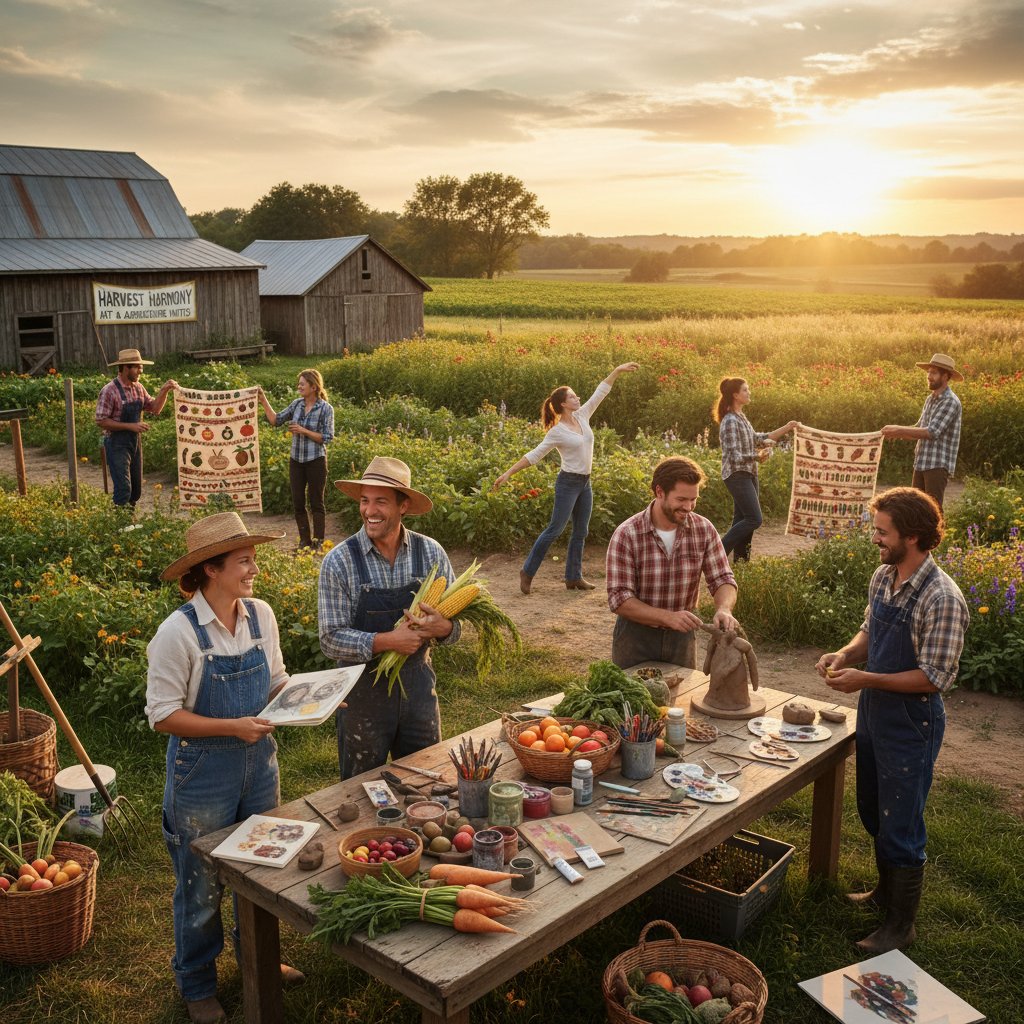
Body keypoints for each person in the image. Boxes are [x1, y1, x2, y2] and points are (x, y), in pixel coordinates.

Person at [145, 511, 306, 1024]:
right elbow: (164, 716)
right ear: (211, 569)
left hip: (259, 764)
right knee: (200, 884)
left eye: (253, 558)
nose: (254, 568)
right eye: (244, 560)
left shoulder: (261, 615)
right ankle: (197, 983)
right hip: (202, 774)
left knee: (261, 868)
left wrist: (313, 697)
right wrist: (232, 726)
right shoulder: (178, 634)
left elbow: (277, 680)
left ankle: (258, 956)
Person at [815, 487, 968, 955]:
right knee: (873, 807)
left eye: (883, 532)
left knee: (902, 822)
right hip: (876, 711)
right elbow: (869, 630)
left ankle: (901, 926)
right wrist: (845, 655)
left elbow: (933, 677)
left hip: (911, 721)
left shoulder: (942, 597)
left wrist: (867, 679)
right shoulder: (885, 576)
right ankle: (884, 893)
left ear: (915, 536)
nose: (875, 539)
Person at [318, 456, 461, 779]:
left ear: (403, 506)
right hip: (361, 695)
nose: (370, 511)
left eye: (381, 501)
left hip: (418, 688)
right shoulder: (340, 562)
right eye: (365, 501)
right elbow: (330, 638)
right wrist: (387, 641)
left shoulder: (431, 553)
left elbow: (456, 628)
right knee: (360, 787)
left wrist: (445, 627)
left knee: (426, 780)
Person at [493, 362, 639, 593]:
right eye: (572, 396)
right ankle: (527, 571)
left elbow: (600, 392)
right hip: (568, 483)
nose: (577, 398)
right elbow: (535, 455)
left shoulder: (583, 416)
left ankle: (573, 578)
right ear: (563, 404)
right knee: (555, 529)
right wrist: (508, 473)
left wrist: (617, 371)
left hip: (585, 483)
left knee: (581, 531)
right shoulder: (556, 431)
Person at [606, 455, 739, 669]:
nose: (689, 506)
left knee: (681, 700)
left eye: (693, 499)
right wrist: (667, 617)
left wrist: (724, 608)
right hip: (635, 637)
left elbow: (722, 578)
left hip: (682, 638)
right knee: (630, 700)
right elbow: (619, 599)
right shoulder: (627, 534)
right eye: (681, 499)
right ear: (660, 492)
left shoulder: (703, 530)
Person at [712, 377, 797, 561]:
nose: (748, 392)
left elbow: (758, 438)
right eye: (745, 390)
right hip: (736, 475)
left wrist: (788, 427)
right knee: (754, 519)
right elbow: (732, 455)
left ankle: (741, 564)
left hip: (749, 473)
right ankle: (716, 555)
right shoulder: (730, 421)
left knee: (742, 520)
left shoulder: (741, 417)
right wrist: (757, 456)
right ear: (735, 395)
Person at [258, 369, 335, 548]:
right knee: (298, 503)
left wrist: (303, 431)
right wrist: (263, 400)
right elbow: (276, 420)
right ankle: (304, 541)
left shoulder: (325, 408)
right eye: (298, 383)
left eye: (302, 383)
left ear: (313, 386)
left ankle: (318, 541)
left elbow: (328, 437)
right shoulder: (296, 405)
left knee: (317, 502)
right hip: (296, 461)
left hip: (316, 460)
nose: (298, 386)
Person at [95, 347, 178, 508]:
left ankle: (129, 524)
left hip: (134, 443)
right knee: (123, 488)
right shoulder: (109, 391)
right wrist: (131, 426)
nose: (141, 370)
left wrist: (164, 390)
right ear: (126, 368)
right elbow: (101, 421)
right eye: (137, 367)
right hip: (116, 443)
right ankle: (120, 526)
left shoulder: (138, 387)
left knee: (136, 490)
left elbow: (154, 408)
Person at [880, 353, 963, 509]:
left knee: (933, 510)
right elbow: (919, 427)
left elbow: (931, 432)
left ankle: (939, 535)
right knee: (916, 509)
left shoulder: (950, 401)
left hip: (937, 464)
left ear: (945, 376)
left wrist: (898, 429)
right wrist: (897, 433)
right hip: (922, 462)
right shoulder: (930, 399)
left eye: (934, 373)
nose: (929, 376)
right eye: (928, 372)